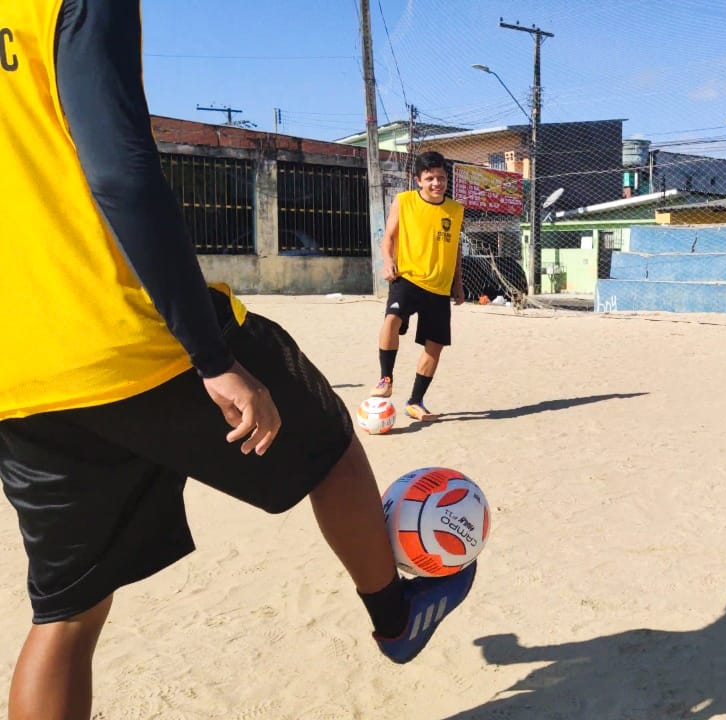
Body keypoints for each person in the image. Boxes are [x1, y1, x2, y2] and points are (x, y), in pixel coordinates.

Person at [0, 2, 476, 717]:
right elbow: (121, 171)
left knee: (67, 613)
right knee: (332, 447)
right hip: (125, 330)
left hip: (16, 367)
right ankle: (396, 619)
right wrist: (211, 355)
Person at [369, 152, 466, 422]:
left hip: (439, 287)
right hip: (408, 278)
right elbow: (388, 237)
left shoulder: (455, 210)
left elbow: (455, 248)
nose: (437, 183)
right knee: (391, 320)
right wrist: (388, 262)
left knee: (434, 346)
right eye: (430, 178)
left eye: (441, 178)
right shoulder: (404, 202)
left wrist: (458, 283)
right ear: (418, 181)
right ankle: (385, 378)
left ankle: (415, 401)